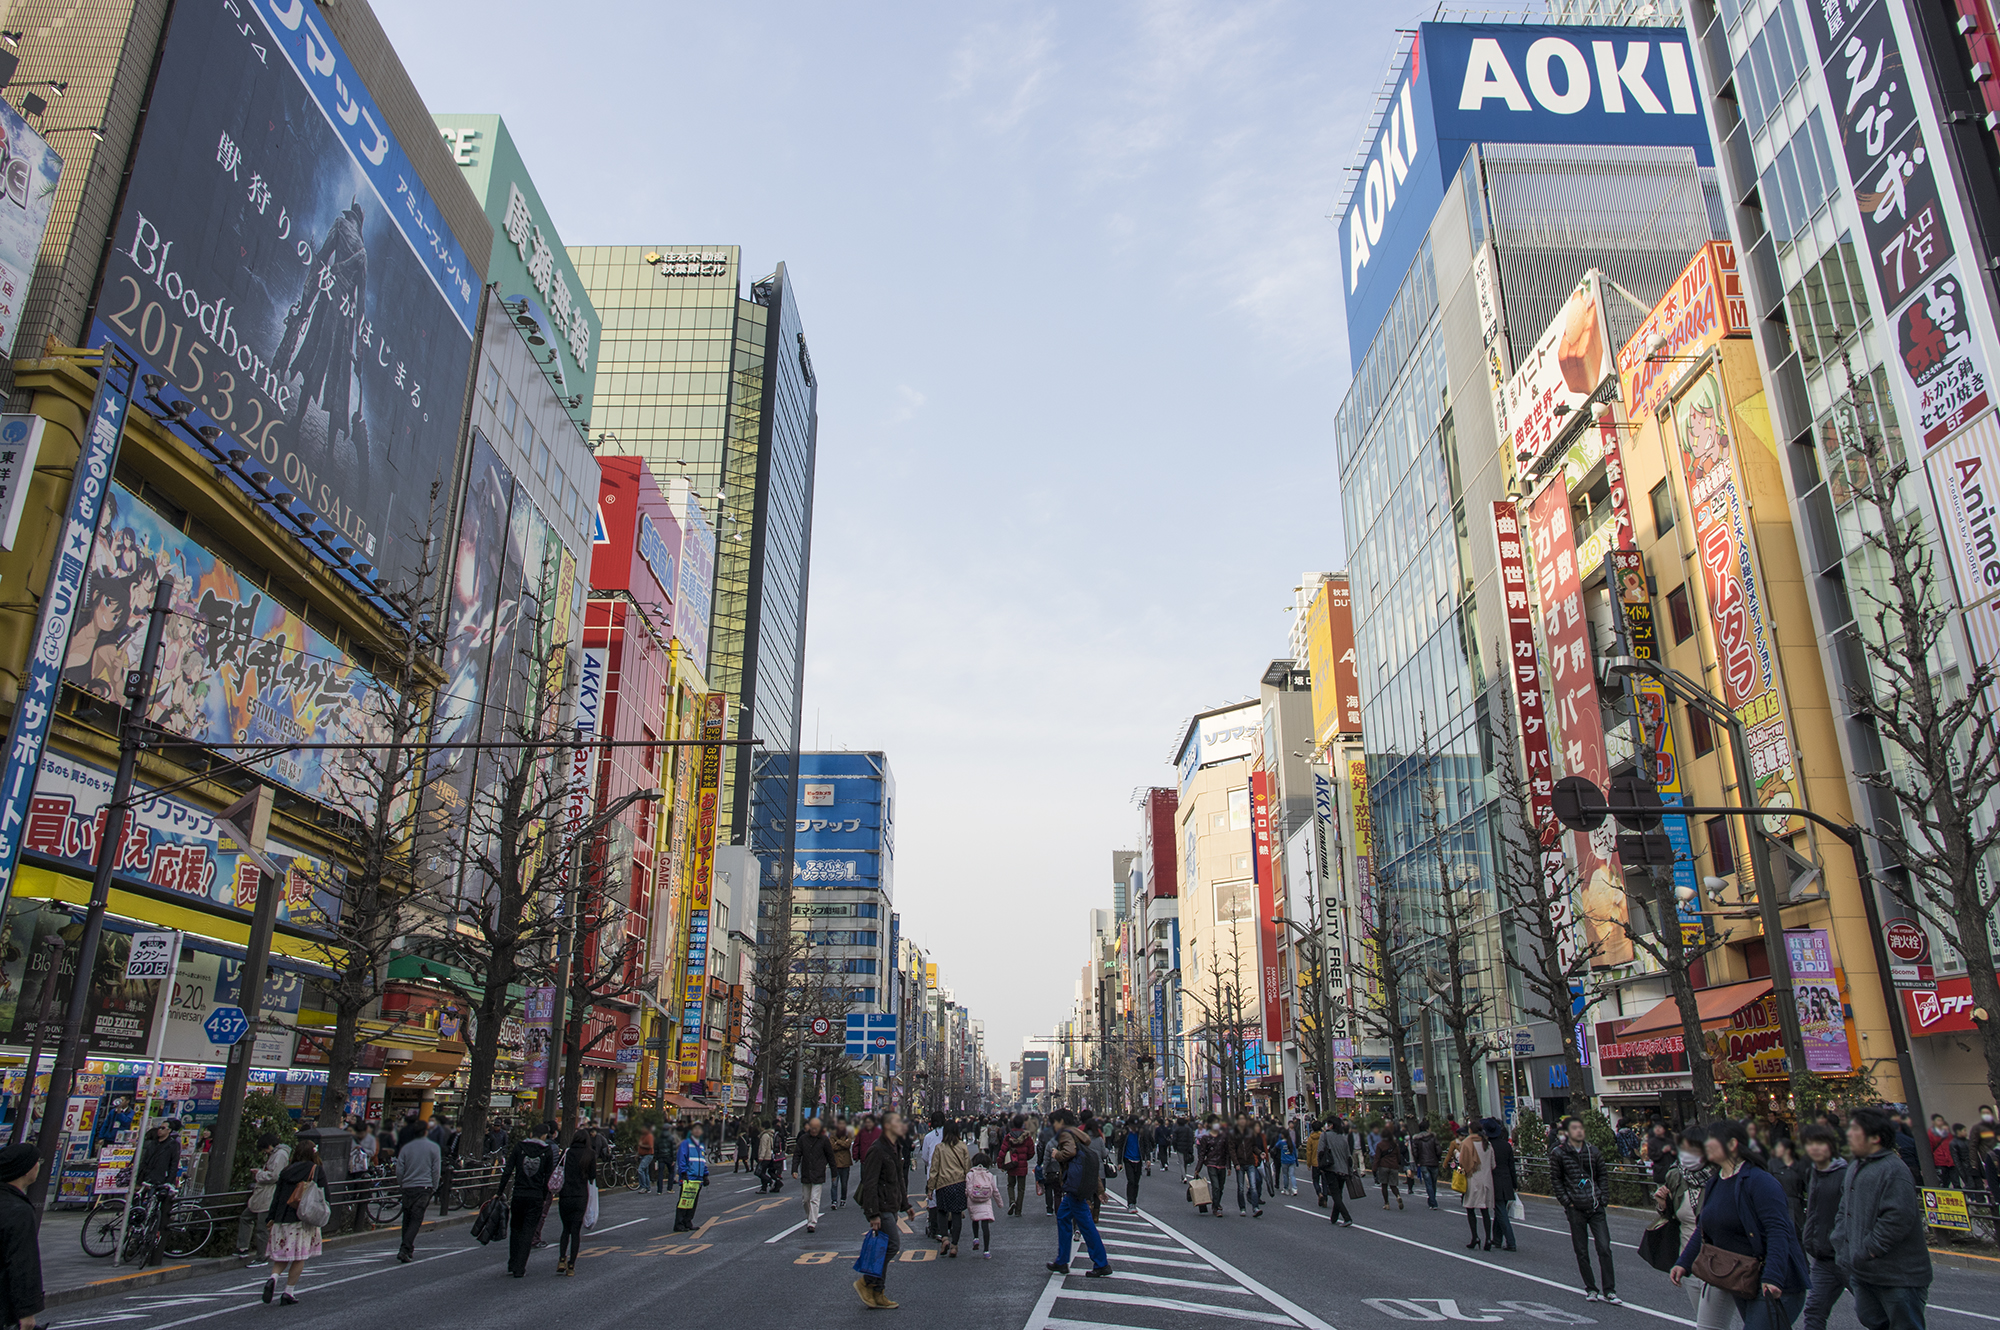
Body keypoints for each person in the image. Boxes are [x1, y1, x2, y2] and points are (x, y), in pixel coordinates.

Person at [1673, 1120, 1808, 1330]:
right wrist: (1684, 1262)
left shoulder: (1759, 1181)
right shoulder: (1715, 1181)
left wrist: (1773, 1276)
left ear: (1732, 1144)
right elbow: (1704, 1228)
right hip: (1744, 1279)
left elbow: (1778, 1231)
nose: (1705, 1145)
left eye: (1711, 1139)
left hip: (1776, 1282)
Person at [1832, 1106, 1931, 1330]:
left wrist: (1868, 1249)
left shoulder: (1894, 1170)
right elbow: (1843, 1209)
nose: (1849, 1133)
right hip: (1864, 1273)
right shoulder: (1855, 1166)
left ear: (1875, 1138)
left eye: (1855, 1129)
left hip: (1899, 1276)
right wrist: (1841, 1244)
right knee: (1872, 1321)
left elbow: (1897, 1219)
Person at [1656, 1130, 1732, 1330]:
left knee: (1709, 1326)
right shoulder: (1675, 1176)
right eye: (1683, 1149)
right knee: (1705, 1320)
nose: (1686, 1155)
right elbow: (1671, 1218)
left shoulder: (1721, 1176)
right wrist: (1663, 1204)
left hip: (1716, 1262)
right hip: (1688, 1261)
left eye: (1692, 1149)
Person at [1552, 1115, 1618, 1304]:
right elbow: (1556, 1179)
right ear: (1566, 1133)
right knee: (1581, 1250)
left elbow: (1603, 1175)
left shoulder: (1593, 1152)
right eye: (1574, 1128)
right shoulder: (1559, 1154)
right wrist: (1566, 1201)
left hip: (1595, 1206)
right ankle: (1591, 1288)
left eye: (1581, 1128)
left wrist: (1603, 1197)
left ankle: (1610, 1290)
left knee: (1604, 1247)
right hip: (1575, 1208)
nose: (1579, 1131)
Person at [857, 1111, 916, 1309]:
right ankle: (867, 1282)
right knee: (892, 1245)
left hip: (891, 1203)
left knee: (884, 1247)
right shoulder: (878, 1149)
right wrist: (872, 1213)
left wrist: (905, 1204)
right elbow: (870, 1182)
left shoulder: (895, 1147)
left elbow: (898, 1179)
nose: (902, 1125)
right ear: (889, 1126)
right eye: (899, 1122)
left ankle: (878, 1292)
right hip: (881, 1206)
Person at [1045, 1109, 1112, 1276]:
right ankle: (1061, 1261)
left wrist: (1057, 1154)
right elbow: (1086, 1162)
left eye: (1054, 1122)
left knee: (1086, 1225)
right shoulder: (1078, 1134)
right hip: (1077, 1185)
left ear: (1061, 1121)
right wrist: (1099, 1189)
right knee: (1063, 1216)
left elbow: (1070, 1153)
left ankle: (1101, 1263)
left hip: (1074, 1186)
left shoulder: (1065, 1134)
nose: (1053, 1126)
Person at [262, 1140, 327, 1305]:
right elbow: (324, 1194)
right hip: (302, 1219)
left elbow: (277, 1196)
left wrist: (271, 1217)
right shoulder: (315, 1170)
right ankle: (288, 1292)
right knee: (299, 1257)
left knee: (282, 1255)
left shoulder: (286, 1171)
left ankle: (273, 1277)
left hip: (282, 1218)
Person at [1799, 1123, 1850, 1330]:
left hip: (1846, 1256)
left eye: (1820, 1143)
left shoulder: (1845, 1174)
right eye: (1810, 1144)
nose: (1815, 1148)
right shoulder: (1812, 1173)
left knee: (1871, 1312)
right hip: (1821, 1257)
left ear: (1830, 1145)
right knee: (1813, 1311)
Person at [496, 1123, 559, 1277]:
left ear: (531, 1133)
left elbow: (508, 1170)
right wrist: (545, 1196)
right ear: (544, 1136)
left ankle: (512, 1262)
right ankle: (520, 1267)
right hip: (536, 1195)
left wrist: (499, 1191)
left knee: (516, 1229)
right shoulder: (546, 1151)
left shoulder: (519, 1147)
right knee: (528, 1231)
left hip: (519, 1193)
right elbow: (548, 1176)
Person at [0, 1144, 45, 1330]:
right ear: (25, 1170)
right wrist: (27, 1313)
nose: (38, 1166)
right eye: (37, 1162)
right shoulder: (18, 1211)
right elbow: (23, 1263)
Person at [236, 1133, 290, 1263]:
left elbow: (275, 1176)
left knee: (262, 1227)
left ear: (269, 1146)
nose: (265, 1152)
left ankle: (261, 1256)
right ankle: (243, 1248)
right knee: (247, 1217)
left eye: (265, 1149)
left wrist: (259, 1174)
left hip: (268, 1194)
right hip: (263, 1194)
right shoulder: (277, 1154)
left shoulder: (280, 1155)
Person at [393, 1122, 440, 1264]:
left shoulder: (406, 1148)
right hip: (424, 1186)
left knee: (407, 1218)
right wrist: (434, 1186)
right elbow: (435, 1170)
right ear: (426, 1132)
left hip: (408, 1186)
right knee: (416, 1219)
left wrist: (401, 1183)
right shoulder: (433, 1148)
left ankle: (407, 1248)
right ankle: (405, 1248)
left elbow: (399, 1169)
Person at [553, 1129, 596, 1277]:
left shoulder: (566, 1153)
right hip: (580, 1195)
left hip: (565, 1194)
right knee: (575, 1232)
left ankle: (561, 1259)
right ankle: (571, 1265)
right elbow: (592, 1176)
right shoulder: (589, 1154)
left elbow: (558, 1169)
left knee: (565, 1229)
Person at [928, 1121, 971, 1257]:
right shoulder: (962, 1146)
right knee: (957, 1213)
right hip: (958, 1183)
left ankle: (945, 1238)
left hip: (943, 1184)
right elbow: (967, 1167)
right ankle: (954, 1245)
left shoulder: (939, 1148)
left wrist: (930, 1188)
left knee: (942, 1211)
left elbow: (934, 1169)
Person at [793, 1116, 836, 1235]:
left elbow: (830, 1157)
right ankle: (809, 1216)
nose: (813, 1130)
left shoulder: (824, 1140)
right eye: (812, 1128)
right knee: (805, 1200)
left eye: (816, 1128)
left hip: (818, 1172)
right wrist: (794, 1169)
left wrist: (834, 1172)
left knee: (814, 1199)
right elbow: (797, 1154)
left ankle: (812, 1222)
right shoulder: (803, 1139)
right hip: (806, 1172)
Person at [1460, 1122, 1497, 1250]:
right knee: (1485, 1210)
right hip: (1487, 1180)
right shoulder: (1487, 1144)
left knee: (1470, 1208)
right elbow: (1493, 1165)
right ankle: (1488, 1238)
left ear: (1470, 1130)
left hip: (1473, 1180)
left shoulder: (1467, 1143)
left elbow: (1462, 1164)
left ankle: (1475, 1237)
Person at [1486, 1119, 1519, 1252]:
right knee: (1500, 1210)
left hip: (1494, 1181)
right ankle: (1497, 1239)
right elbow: (1512, 1166)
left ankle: (1511, 1242)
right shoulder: (1506, 1145)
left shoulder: (1488, 1147)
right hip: (1507, 1180)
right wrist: (1515, 1183)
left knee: (1501, 1211)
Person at [1228, 1112, 1266, 1218]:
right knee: (1240, 1187)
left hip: (1250, 1162)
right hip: (1239, 1163)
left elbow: (1253, 1146)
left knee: (1253, 1186)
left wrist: (1259, 1153)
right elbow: (1232, 1150)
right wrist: (1235, 1163)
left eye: (1243, 1119)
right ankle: (1242, 1208)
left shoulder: (1250, 1132)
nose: (1242, 1121)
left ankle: (1255, 1208)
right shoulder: (1233, 1134)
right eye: (1240, 1119)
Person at [673, 1121, 709, 1232]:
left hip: (698, 1179)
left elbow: (703, 1161)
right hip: (689, 1177)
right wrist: (683, 1172)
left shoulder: (701, 1145)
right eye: (695, 1129)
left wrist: (705, 1175)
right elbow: (682, 1159)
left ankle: (688, 1221)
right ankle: (679, 1223)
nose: (697, 1131)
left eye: (699, 1129)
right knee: (684, 1201)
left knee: (693, 1201)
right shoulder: (686, 1143)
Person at [1770, 1136, 1809, 1233]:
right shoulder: (1773, 1165)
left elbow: (1807, 1186)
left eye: (1779, 1147)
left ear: (1787, 1150)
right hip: (1779, 1203)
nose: (1777, 1149)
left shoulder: (1799, 1166)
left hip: (1797, 1206)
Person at [1323, 1117, 1357, 1228]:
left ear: (1331, 1125)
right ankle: (1334, 1217)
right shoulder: (1343, 1138)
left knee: (1335, 1195)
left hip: (1331, 1168)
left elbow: (1320, 1151)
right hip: (1343, 1170)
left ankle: (1347, 1217)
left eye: (1328, 1124)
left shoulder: (1325, 1136)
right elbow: (1348, 1156)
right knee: (1339, 1194)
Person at [1003, 1115, 1036, 1216]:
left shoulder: (1008, 1137)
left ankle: (1012, 1201)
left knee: (1010, 1185)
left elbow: (1003, 1151)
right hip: (1022, 1165)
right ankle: (1018, 1211)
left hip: (1011, 1164)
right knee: (1021, 1188)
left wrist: (1001, 1164)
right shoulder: (1027, 1137)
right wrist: (1025, 1158)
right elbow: (1031, 1152)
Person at [1374, 1122, 1406, 1209]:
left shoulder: (1380, 1145)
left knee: (1384, 1185)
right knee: (1393, 1185)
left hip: (1383, 1166)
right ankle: (1398, 1196)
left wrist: (1374, 1168)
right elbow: (1398, 1156)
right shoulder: (1395, 1145)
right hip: (1393, 1166)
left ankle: (1386, 1203)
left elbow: (1377, 1158)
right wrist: (1398, 1163)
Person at [1411, 1120, 1443, 1209]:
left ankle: (1432, 1202)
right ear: (1427, 1128)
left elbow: (1415, 1152)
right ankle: (1433, 1200)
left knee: (1428, 1183)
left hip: (1424, 1163)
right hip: (1434, 1162)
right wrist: (1438, 1158)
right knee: (1433, 1183)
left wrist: (1418, 1161)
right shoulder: (1433, 1138)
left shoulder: (1417, 1140)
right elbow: (1439, 1150)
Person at [1120, 1116, 1146, 1208]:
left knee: (1136, 1182)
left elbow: (1144, 1145)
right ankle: (1130, 1203)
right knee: (1131, 1181)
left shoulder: (1140, 1133)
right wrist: (1119, 1162)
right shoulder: (1125, 1133)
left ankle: (1134, 1201)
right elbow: (1121, 1147)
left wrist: (1147, 1159)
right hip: (1128, 1159)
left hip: (1138, 1159)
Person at [830, 1118, 854, 1210]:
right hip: (835, 1163)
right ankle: (834, 1201)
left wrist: (838, 1142)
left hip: (845, 1163)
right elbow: (832, 1147)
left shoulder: (848, 1134)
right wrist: (843, 1143)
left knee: (844, 1183)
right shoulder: (833, 1134)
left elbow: (848, 1146)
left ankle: (843, 1199)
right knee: (834, 1183)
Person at [634, 1123, 655, 1195]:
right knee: (645, 1171)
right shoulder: (642, 1136)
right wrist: (638, 1153)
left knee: (640, 1169)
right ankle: (647, 1187)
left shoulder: (649, 1136)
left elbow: (650, 1146)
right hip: (642, 1155)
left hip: (648, 1155)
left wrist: (641, 1145)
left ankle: (643, 1186)